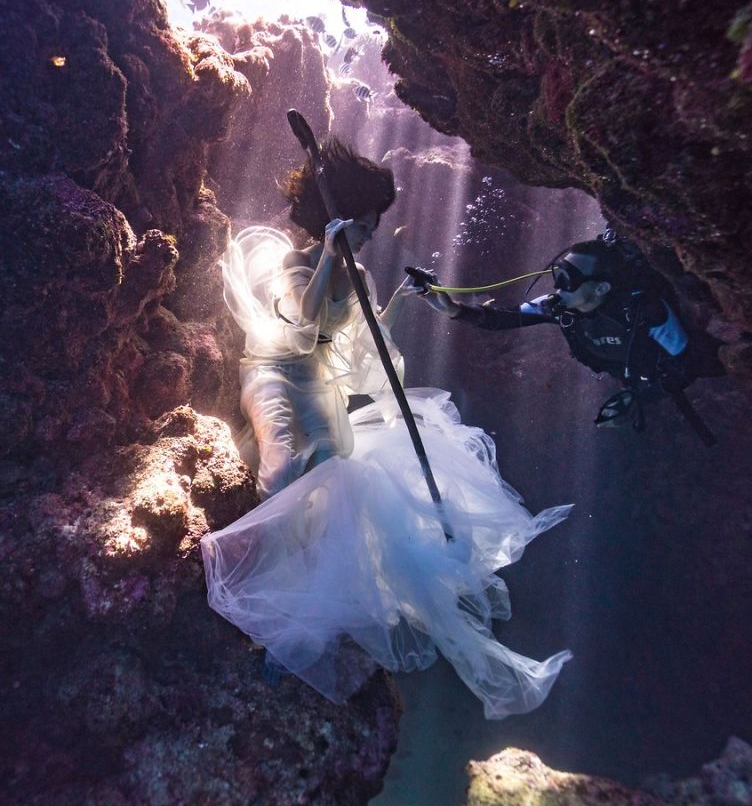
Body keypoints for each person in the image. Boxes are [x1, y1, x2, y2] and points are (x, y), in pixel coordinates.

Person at [201, 138, 572, 720]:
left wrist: (403, 297)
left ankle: (302, 620)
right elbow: (304, 325)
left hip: (318, 384)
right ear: (339, 218)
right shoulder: (293, 263)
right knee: (286, 474)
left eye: (374, 229)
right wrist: (329, 254)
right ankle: (268, 611)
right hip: (276, 376)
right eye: (367, 226)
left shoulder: (353, 270)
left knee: (326, 488)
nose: (371, 237)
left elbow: (364, 344)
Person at [413, 234, 725, 434]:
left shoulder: (644, 310)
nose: (557, 288)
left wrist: (638, 398)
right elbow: (504, 318)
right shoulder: (561, 307)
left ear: (601, 287)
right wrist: (452, 309)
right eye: (557, 276)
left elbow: (688, 365)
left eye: (569, 280)